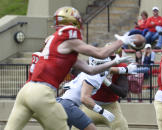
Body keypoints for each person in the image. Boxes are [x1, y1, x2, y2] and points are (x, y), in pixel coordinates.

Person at [4, 6, 136, 130]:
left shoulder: (55, 46)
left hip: (25, 91)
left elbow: (91, 70)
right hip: (42, 93)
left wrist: (115, 62)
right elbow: (100, 53)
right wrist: (121, 41)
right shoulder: (67, 38)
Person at [58, 56, 136, 130]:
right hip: (70, 106)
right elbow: (84, 98)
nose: (105, 67)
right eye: (102, 64)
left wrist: (126, 69)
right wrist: (102, 111)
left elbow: (111, 69)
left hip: (62, 103)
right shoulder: (93, 76)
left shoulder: (92, 70)